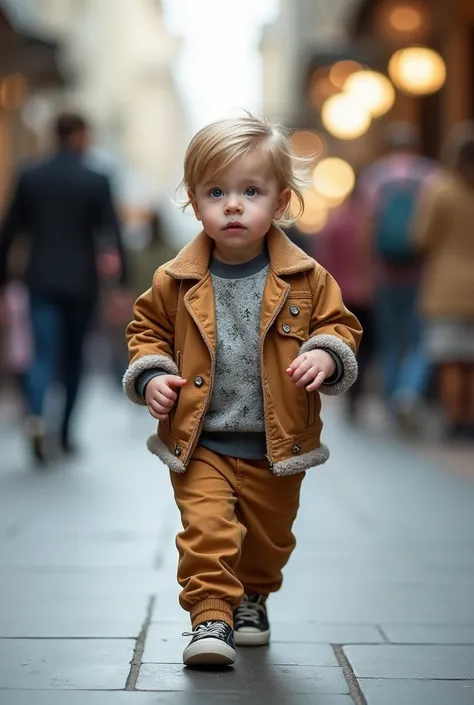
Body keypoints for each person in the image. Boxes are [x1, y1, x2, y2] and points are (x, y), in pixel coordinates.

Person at [123, 114, 362, 667]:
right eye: (217, 192)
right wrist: (153, 374)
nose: (233, 204)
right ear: (194, 200)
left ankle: (253, 595)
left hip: (278, 443)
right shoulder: (173, 278)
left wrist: (327, 353)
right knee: (206, 531)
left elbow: (339, 325)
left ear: (280, 203)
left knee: (268, 539)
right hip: (201, 437)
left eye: (250, 191)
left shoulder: (308, 277)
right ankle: (211, 616)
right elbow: (147, 330)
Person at [0, 112, 128, 462]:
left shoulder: (31, 176)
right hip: (81, 283)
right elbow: (112, 235)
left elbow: (8, 232)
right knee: (74, 358)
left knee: (41, 354)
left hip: (38, 279)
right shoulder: (96, 179)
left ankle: (37, 418)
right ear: (81, 136)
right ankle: (67, 433)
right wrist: (120, 286)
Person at [359, 123, 437, 430]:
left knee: (390, 340)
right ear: (415, 145)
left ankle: (394, 403)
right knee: (420, 338)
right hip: (421, 272)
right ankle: (410, 390)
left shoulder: (375, 177)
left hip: (385, 273)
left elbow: (367, 228)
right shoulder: (430, 175)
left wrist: (365, 270)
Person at [415, 123, 474, 440]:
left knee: (452, 358)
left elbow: (422, 236)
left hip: (447, 285)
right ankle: (470, 417)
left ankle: (454, 420)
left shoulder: (440, 188)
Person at [317, 181, 374, 420]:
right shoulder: (367, 225)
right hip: (365, 291)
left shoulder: (334, 223)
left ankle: (348, 390)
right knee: (366, 345)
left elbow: (322, 258)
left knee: (344, 340)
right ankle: (357, 394)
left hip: (338, 292)